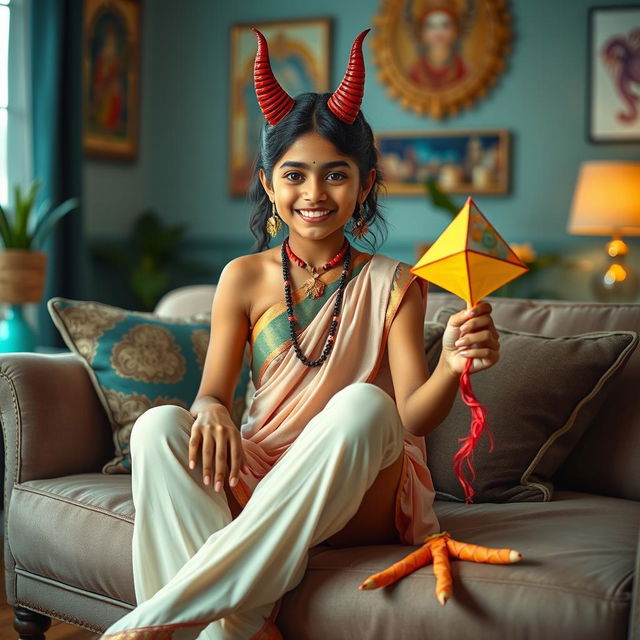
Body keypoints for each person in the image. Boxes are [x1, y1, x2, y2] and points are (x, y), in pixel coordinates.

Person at [102, 28, 499, 640]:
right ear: (267, 184)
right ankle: (239, 627)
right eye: (294, 176)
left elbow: (415, 418)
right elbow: (213, 393)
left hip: (361, 484)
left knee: (369, 405)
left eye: (336, 175)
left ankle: (156, 619)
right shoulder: (242, 278)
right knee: (159, 426)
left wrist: (450, 362)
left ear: (366, 184)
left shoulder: (396, 283)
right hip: (265, 471)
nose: (314, 194)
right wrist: (210, 409)